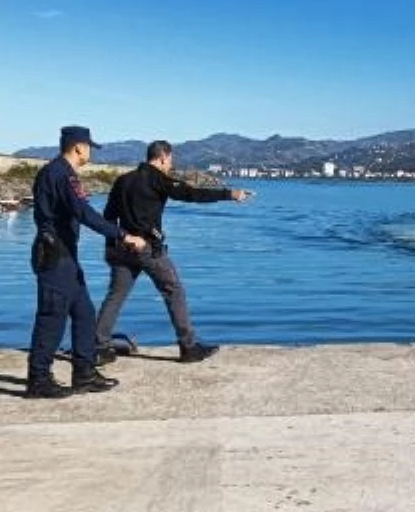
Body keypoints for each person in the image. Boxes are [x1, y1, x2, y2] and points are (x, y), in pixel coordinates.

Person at [95, 140, 249, 365]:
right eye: (170, 160)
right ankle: (188, 347)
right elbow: (191, 194)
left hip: (122, 247)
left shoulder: (122, 180)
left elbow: (108, 217)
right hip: (148, 248)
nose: (170, 164)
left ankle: (99, 347)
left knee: (116, 295)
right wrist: (229, 194)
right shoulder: (157, 179)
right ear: (163, 157)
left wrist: (112, 247)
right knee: (173, 290)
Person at [26, 126, 147, 398]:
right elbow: (83, 212)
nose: (90, 151)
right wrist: (123, 235)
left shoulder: (61, 173)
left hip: (66, 256)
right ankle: (38, 379)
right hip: (54, 256)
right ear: (78, 147)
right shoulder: (60, 175)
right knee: (52, 318)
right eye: (89, 147)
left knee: (84, 313)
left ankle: (84, 373)